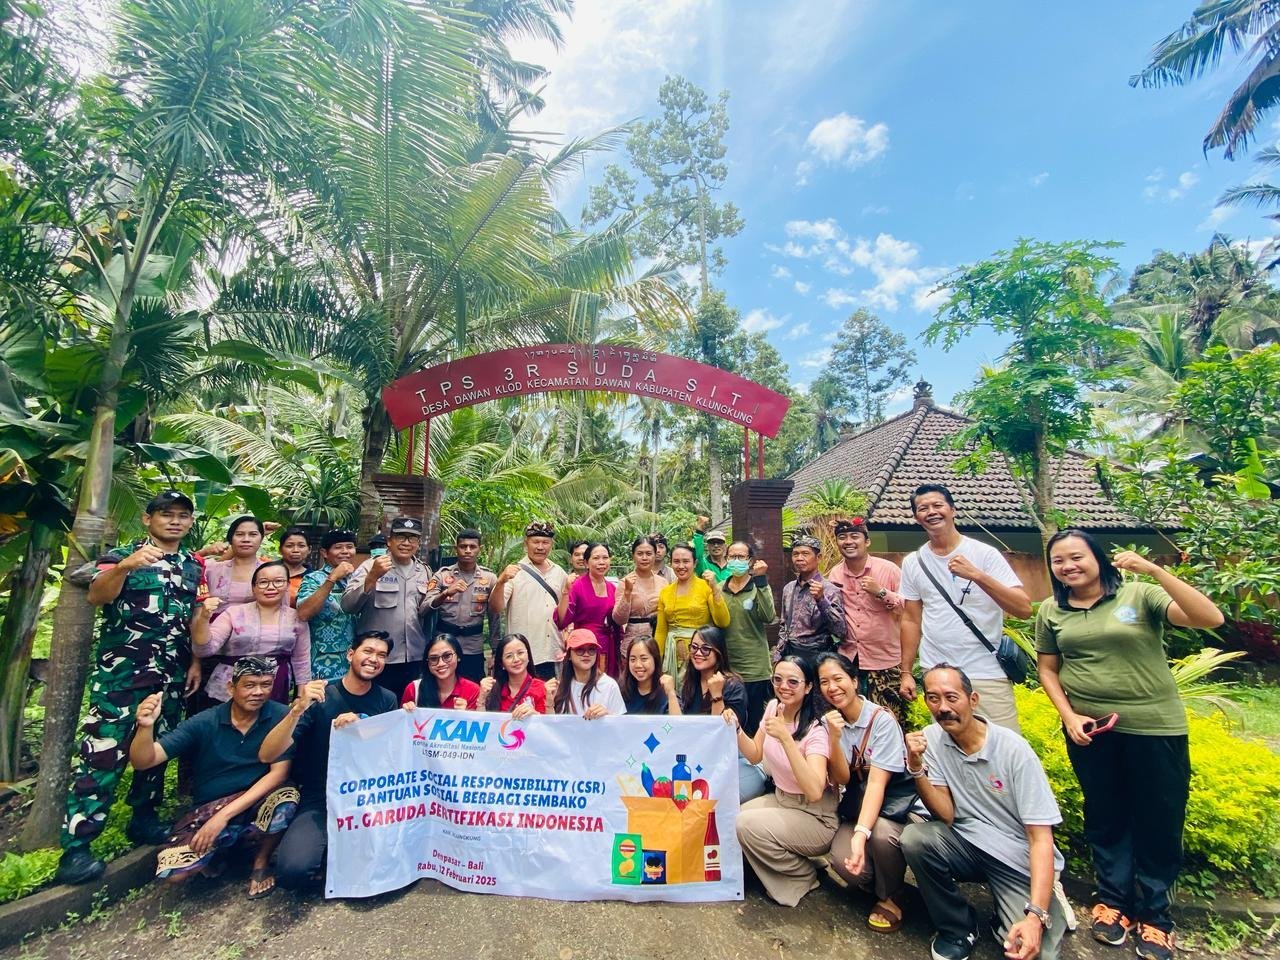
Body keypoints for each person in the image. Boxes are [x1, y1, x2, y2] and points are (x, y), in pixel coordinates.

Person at [1036, 531, 1223, 960]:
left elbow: (1208, 617)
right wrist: (1069, 716)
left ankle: (1156, 916)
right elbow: (1048, 669)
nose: (1067, 566)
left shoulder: (1139, 595)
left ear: (1098, 558)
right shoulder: (1052, 610)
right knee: (1106, 815)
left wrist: (1155, 570)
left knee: (1159, 819)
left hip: (1154, 727)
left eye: (1076, 557)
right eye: (1058, 561)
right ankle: (1113, 901)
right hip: (1091, 731)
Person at [56, 490, 206, 885]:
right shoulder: (121, 556)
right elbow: (96, 595)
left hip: (169, 677)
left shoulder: (192, 565)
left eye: (182, 515)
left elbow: (191, 617)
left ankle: (144, 817)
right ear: (147, 519)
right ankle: (77, 847)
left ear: (190, 522)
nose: (175, 521)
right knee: (102, 754)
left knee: (156, 750)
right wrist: (124, 566)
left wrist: (194, 662)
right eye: (166, 514)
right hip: (122, 678)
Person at [901, 664, 1067, 960]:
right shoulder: (932, 739)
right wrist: (916, 767)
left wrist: (1035, 916)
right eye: (933, 698)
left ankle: (1027, 909)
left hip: (1016, 860)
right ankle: (957, 927)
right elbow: (946, 814)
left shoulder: (1014, 750)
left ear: (973, 700)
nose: (943, 707)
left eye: (952, 697)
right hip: (967, 844)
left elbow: (1041, 838)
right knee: (915, 839)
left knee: (1037, 953)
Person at [130, 656, 297, 898]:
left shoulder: (281, 716)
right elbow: (144, 760)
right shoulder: (205, 722)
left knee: (286, 798)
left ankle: (260, 862)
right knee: (174, 872)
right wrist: (145, 727)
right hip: (210, 807)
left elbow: (278, 774)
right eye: (249, 685)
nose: (258, 692)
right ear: (231, 687)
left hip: (254, 803)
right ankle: (223, 852)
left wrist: (223, 816)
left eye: (266, 685)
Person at [260, 631, 399, 890]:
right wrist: (297, 709)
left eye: (381, 655)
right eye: (368, 651)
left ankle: (334, 857)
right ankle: (326, 855)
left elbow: (391, 755)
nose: (374, 659)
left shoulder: (387, 699)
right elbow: (267, 754)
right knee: (293, 871)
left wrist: (365, 727)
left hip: (365, 797)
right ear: (350, 654)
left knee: (386, 863)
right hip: (319, 797)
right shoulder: (320, 695)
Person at [899, 484, 1032, 732]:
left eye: (937, 505)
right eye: (923, 508)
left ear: (952, 510)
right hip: (937, 671)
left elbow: (1023, 608)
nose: (931, 512)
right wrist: (906, 672)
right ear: (917, 517)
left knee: (1002, 741)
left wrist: (977, 575)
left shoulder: (984, 554)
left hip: (985, 669)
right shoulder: (913, 563)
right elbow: (910, 619)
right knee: (949, 741)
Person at [817, 652, 918, 935]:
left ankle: (891, 895)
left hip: (894, 808)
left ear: (854, 680)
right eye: (824, 682)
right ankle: (883, 879)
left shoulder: (881, 720)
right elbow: (841, 778)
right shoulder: (828, 723)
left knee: (882, 835)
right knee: (844, 863)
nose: (832, 687)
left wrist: (861, 835)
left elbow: (876, 784)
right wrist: (834, 738)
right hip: (859, 806)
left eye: (838, 679)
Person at [726, 655, 836, 907]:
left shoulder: (817, 729)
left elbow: (814, 790)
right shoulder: (775, 707)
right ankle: (801, 859)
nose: (783, 686)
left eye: (793, 682)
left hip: (815, 814)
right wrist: (737, 728)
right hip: (782, 800)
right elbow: (755, 754)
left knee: (746, 825)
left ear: (808, 687)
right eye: (778, 680)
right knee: (730, 817)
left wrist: (786, 739)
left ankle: (802, 874)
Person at [192, 560, 310, 705]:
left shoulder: (297, 618)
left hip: (275, 686)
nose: (271, 587)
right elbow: (204, 650)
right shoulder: (233, 613)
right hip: (229, 688)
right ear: (253, 587)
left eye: (278, 581)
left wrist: (300, 696)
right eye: (263, 582)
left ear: (287, 585)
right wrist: (204, 618)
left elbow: (301, 660)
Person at [341, 516, 433, 695]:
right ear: (389, 541)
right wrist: (372, 577)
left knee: (408, 706)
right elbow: (347, 605)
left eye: (412, 538)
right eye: (400, 537)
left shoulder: (424, 571)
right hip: (377, 658)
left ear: (418, 543)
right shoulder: (371, 566)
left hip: (413, 657)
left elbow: (426, 613)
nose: (406, 543)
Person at [826, 517, 906, 722]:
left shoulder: (889, 569)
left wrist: (880, 592)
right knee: (852, 719)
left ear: (867, 541)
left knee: (888, 719)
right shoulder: (835, 573)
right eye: (842, 537)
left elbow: (906, 608)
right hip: (849, 659)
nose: (848, 541)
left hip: (883, 659)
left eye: (855, 536)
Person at [680, 626, 767, 804]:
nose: (698, 653)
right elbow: (681, 726)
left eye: (705, 649)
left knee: (713, 798)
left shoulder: (733, 685)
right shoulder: (690, 683)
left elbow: (723, 733)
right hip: (700, 757)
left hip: (733, 756)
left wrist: (717, 695)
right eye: (694, 647)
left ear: (718, 652)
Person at [490, 520, 568, 681]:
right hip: (522, 655)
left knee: (551, 695)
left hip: (553, 652)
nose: (540, 547)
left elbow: (564, 613)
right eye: (536, 542)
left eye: (545, 542)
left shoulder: (559, 572)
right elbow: (496, 608)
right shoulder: (514, 572)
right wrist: (501, 582)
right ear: (526, 543)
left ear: (551, 545)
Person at [421, 529, 498, 683]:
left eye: (472, 546)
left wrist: (495, 651)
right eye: (463, 546)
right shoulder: (442, 576)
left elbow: (494, 617)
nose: (468, 550)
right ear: (456, 548)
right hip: (444, 645)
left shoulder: (489, 578)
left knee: (473, 688)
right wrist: (445, 593)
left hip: (473, 646)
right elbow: (424, 609)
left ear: (480, 549)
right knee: (441, 688)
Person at [721, 540, 774, 735]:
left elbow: (768, 616)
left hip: (754, 669)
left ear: (750, 560)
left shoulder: (757, 587)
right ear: (726, 559)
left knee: (754, 724)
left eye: (741, 557)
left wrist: (762, 581)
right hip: (727, 667)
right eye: (732, 556)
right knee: (730, 723)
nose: (736, 560)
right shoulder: (719, 589)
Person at [295, 529, 358, 681]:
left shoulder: (359, 578)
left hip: (356, 661)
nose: (345, 551)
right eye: (338, 547)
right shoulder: (313, 579)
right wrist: (332, 578)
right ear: (324, 552)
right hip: (322, 662)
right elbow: (303, 613)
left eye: (349, 547)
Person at [654, 544, 730, 668]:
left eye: (686, 561)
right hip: (672, 656)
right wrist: (657, 661)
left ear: (695, 563)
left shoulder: (706, 587)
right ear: (670, 563)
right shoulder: (665, 592)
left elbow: (723, 622)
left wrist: (715, 589)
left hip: (701, 654)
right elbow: (661, 630)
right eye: (676, 561)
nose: (681, 566)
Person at [554, 542, 623, 677]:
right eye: (596, 558)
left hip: (609, 645)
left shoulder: (612, 588)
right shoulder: (577, 585)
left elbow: (617, 623)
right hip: (584, 646)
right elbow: (562, 621)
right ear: (586, 563)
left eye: (605, 557)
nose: (601, 562)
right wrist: (565, 592)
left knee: (606, 683)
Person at [777, 535, 845, 665]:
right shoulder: (789, 588)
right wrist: (778, 655)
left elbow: (840, 631)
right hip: (791, 655)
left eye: (805, 554)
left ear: (818, 557)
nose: (799, 558)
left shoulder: (830, 590)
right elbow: (783, 625)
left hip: (817, 657)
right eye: (795, 554)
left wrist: (822, 600)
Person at [547, 628, 625, 717]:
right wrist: (549, 705)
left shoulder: (609, 685)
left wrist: (607, 716)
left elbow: (620, 722)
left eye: (591, 650)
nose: (586, 654)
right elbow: (552, 724)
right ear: (569, 655)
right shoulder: (559, 687)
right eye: (579, 649)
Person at [204, 516, 270, 617]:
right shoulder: (212, 569)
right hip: (212, 625)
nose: (246, 539)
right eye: (239, 534)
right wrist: (205, 552)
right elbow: (182, 565)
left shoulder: (270, 572)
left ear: (261, 539)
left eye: (253, 534)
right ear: (231, 539)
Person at [402, 635, 481, 710]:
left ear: (458, 656)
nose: (441, 663)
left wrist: (466, 714)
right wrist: (407, 711)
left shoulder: (473, 690)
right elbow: (402, 719)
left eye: (447, 656)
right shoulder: (414, 689)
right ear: (427, 662)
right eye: (433, 659)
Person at [614, 536, 662, 660]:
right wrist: (627, 593)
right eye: (640, 554)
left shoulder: (663, 582)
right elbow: (619, 619)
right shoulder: (625, 582)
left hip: (657, 640)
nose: (644, 558)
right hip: (633, 642)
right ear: (633, 556)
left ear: (655, 555)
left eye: (649, 554)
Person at [479, 634, 548, 717]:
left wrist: (535, 715)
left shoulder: (543, 689)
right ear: (501, 663)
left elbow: (550, 723)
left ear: (528, 655)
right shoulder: (492, 690)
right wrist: (481, 699)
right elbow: (481, 722)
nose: (516, 659)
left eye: (520, 653)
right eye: (509, 656)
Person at [620, 636, 680, 715]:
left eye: (644, 659)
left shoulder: (665, 692)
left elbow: (676, 722)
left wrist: (671, 693)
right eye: (633, 659)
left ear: (655, 659)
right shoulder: (621, 690)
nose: (638, 665)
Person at [278, 528, 312, 607]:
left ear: (309, 549)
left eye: (301, 546)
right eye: (289, 546)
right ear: (280, 550)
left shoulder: (313, 578)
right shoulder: (267, 571)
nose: (295, 550)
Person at [692, 516, 731, 582]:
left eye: (719, 542)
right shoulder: (703, 564)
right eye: (712, 542)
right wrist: (699, 530)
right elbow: (698, 552)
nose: (716, 545)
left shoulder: (732, 565)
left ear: (725, 546)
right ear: (707, 546)